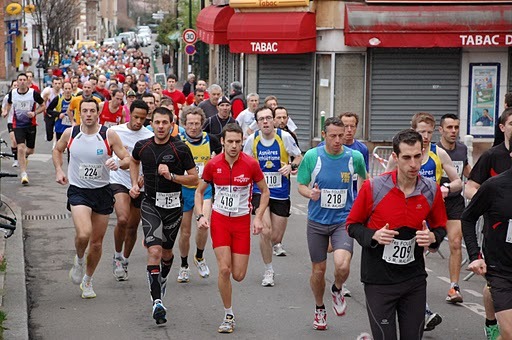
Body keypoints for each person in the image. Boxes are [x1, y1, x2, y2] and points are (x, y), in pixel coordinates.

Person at [347, 129, 447, 340]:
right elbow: (352, 225)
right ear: (395, 157)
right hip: (378, 281)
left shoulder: (431, 190)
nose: (413, 164)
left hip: (414, 281)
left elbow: (440, 227)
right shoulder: (374, 187)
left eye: (418, 156)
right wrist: (374, 235)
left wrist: (433, 238)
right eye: (407, 157)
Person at [385, 112, 461, 331]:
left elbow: (458, 182)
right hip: (406, 211)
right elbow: (384, 183)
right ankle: (419, 308)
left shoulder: (440, 154)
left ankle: (417, 306)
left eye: (429, 132)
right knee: (414, 261)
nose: (426, 136)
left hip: (430, 215)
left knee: (417, 261)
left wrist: (445, 188)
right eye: (421, 132)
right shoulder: (399, 156)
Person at [195, 123, 269, 334]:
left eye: (238, 142)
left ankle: (229, 310)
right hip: (219, 221)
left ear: (242, 142)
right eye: (230, 142)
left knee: (238, 275)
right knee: (224, 269)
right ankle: (228, 314)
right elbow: (200, 192)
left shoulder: (251, 164)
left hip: (241, 222)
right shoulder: (213, 164)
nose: (234, 146)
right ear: (223, 142)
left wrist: (258, 217)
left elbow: (264, 191)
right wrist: (201, 215)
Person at [53, 98, 131, 298]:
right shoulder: (71, 133)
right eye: (84, 111)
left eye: (92, 111)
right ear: (80, 113)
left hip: (102, 192)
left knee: (96, 243)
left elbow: (127, 159)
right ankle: (79, 260)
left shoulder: (108, 134)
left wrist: (117, 162)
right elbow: (57, 149)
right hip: (79, 191)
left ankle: (88, 280)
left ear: (98, 113)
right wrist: (59, 170)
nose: (88, 114)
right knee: (84, 234)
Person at [129, 107, 199, 325]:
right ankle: (157, 302)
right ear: (152, 123)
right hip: (150, 204)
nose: (160, 127)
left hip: (173, 207)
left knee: (167, 253)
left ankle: (162, 279)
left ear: (171, 124)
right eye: (157, 122)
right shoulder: (143, 146)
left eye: (164, 123)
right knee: (155, 250)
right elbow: (133, 160)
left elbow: (194, 179)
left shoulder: (180, 148)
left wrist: (172, 176)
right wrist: (134, 183)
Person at [297, 117, 366, 330]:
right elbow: (301, 184)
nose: (338, 140)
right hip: (317, 221)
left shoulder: (354, 157)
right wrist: (311, 193)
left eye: (341, 135)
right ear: (324, 135)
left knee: (342, 265)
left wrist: (361, 204)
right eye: (333, 136)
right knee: (318, 271)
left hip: (343, 220)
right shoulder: (311, 156)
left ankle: (337, 289)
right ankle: (320, 308)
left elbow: (364, 180)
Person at [464, 107, 512, 340]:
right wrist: (474, 255)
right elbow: (469, 206)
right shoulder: (493, 164)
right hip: (500, 259)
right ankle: (491, 322)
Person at [243, 107, 302, 285]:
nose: (266, 121)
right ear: (257, 123)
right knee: (265, 231)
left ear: (274, 120)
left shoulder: (284, 137)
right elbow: (244, 161)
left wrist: (290, 166)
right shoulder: (252, 140)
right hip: (260, 191)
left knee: (275, 237)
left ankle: (273, 248)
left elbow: (299, 156)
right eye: (262, 119)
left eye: (269, 118)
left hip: (281, 192)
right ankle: (268, 270)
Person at [176, 106, 223, 283]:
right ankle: (183, 265)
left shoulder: (211, 140)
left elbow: (222, 160)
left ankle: (200, 257)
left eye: (196, 123)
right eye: (190, 124)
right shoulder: (178, 141)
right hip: (183, 190)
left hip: (204, 189)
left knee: (204, 225)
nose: (193, 127)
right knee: (185, 232)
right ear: (184, 124)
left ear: (202, 124)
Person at [110, 100, 154, 281]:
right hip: (119, 180)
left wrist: (143, 179)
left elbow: (151, 161)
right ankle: (117, 255)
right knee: (122, 219)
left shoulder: (149, 135)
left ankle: (125, 260)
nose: (138, 121)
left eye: (142, 119)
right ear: (129, 113)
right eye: (136, 117)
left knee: (132, 226)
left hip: (140, 183)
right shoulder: (115, 132)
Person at [436, 114, 472, 303]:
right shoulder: (435, 150)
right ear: (440, 130)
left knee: (456, 243)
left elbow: (467, 171)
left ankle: (454, 287)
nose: (453, 131)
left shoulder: (462, 149)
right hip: (433, 203)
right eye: (449, 127)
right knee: (426, 246)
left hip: (454, 202)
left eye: (456, 127)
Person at [4, 73, 45, 185]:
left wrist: (35, 113)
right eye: (20, 80)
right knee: (20, 147)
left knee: (30, 150)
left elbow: (43, 105)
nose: (22, 82)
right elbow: (8, 103)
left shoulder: (33, 93)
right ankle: (23, 174)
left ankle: (23, 157)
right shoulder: (12, 93)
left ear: (27, 81)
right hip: (18, 125)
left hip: (30, 125)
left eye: (24, 80)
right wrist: (6, 111)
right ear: (17, 82)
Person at [1, 80, 19, 168]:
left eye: (17, 85)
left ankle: (22, 155)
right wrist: (4, 112)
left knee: (20, 142)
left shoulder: (21, 97)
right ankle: (15, 160)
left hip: (21, 122)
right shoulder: (7, 97)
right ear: (11, 87)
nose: (15, 87)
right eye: (14, 85)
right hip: (11, 121)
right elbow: (4, 107)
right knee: (14, 140)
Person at [41, 77, 63, 142]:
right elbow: (43, 104)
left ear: (61, 84)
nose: (57, 85)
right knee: (49, 137)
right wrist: (45, 114)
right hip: (49, 113)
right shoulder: (48, 92)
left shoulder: (63, 92)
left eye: (59, 83)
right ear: (52, 84)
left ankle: (56, 146)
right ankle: (48, 134)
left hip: (58, 114)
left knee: (58, 132)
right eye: (55, 83)